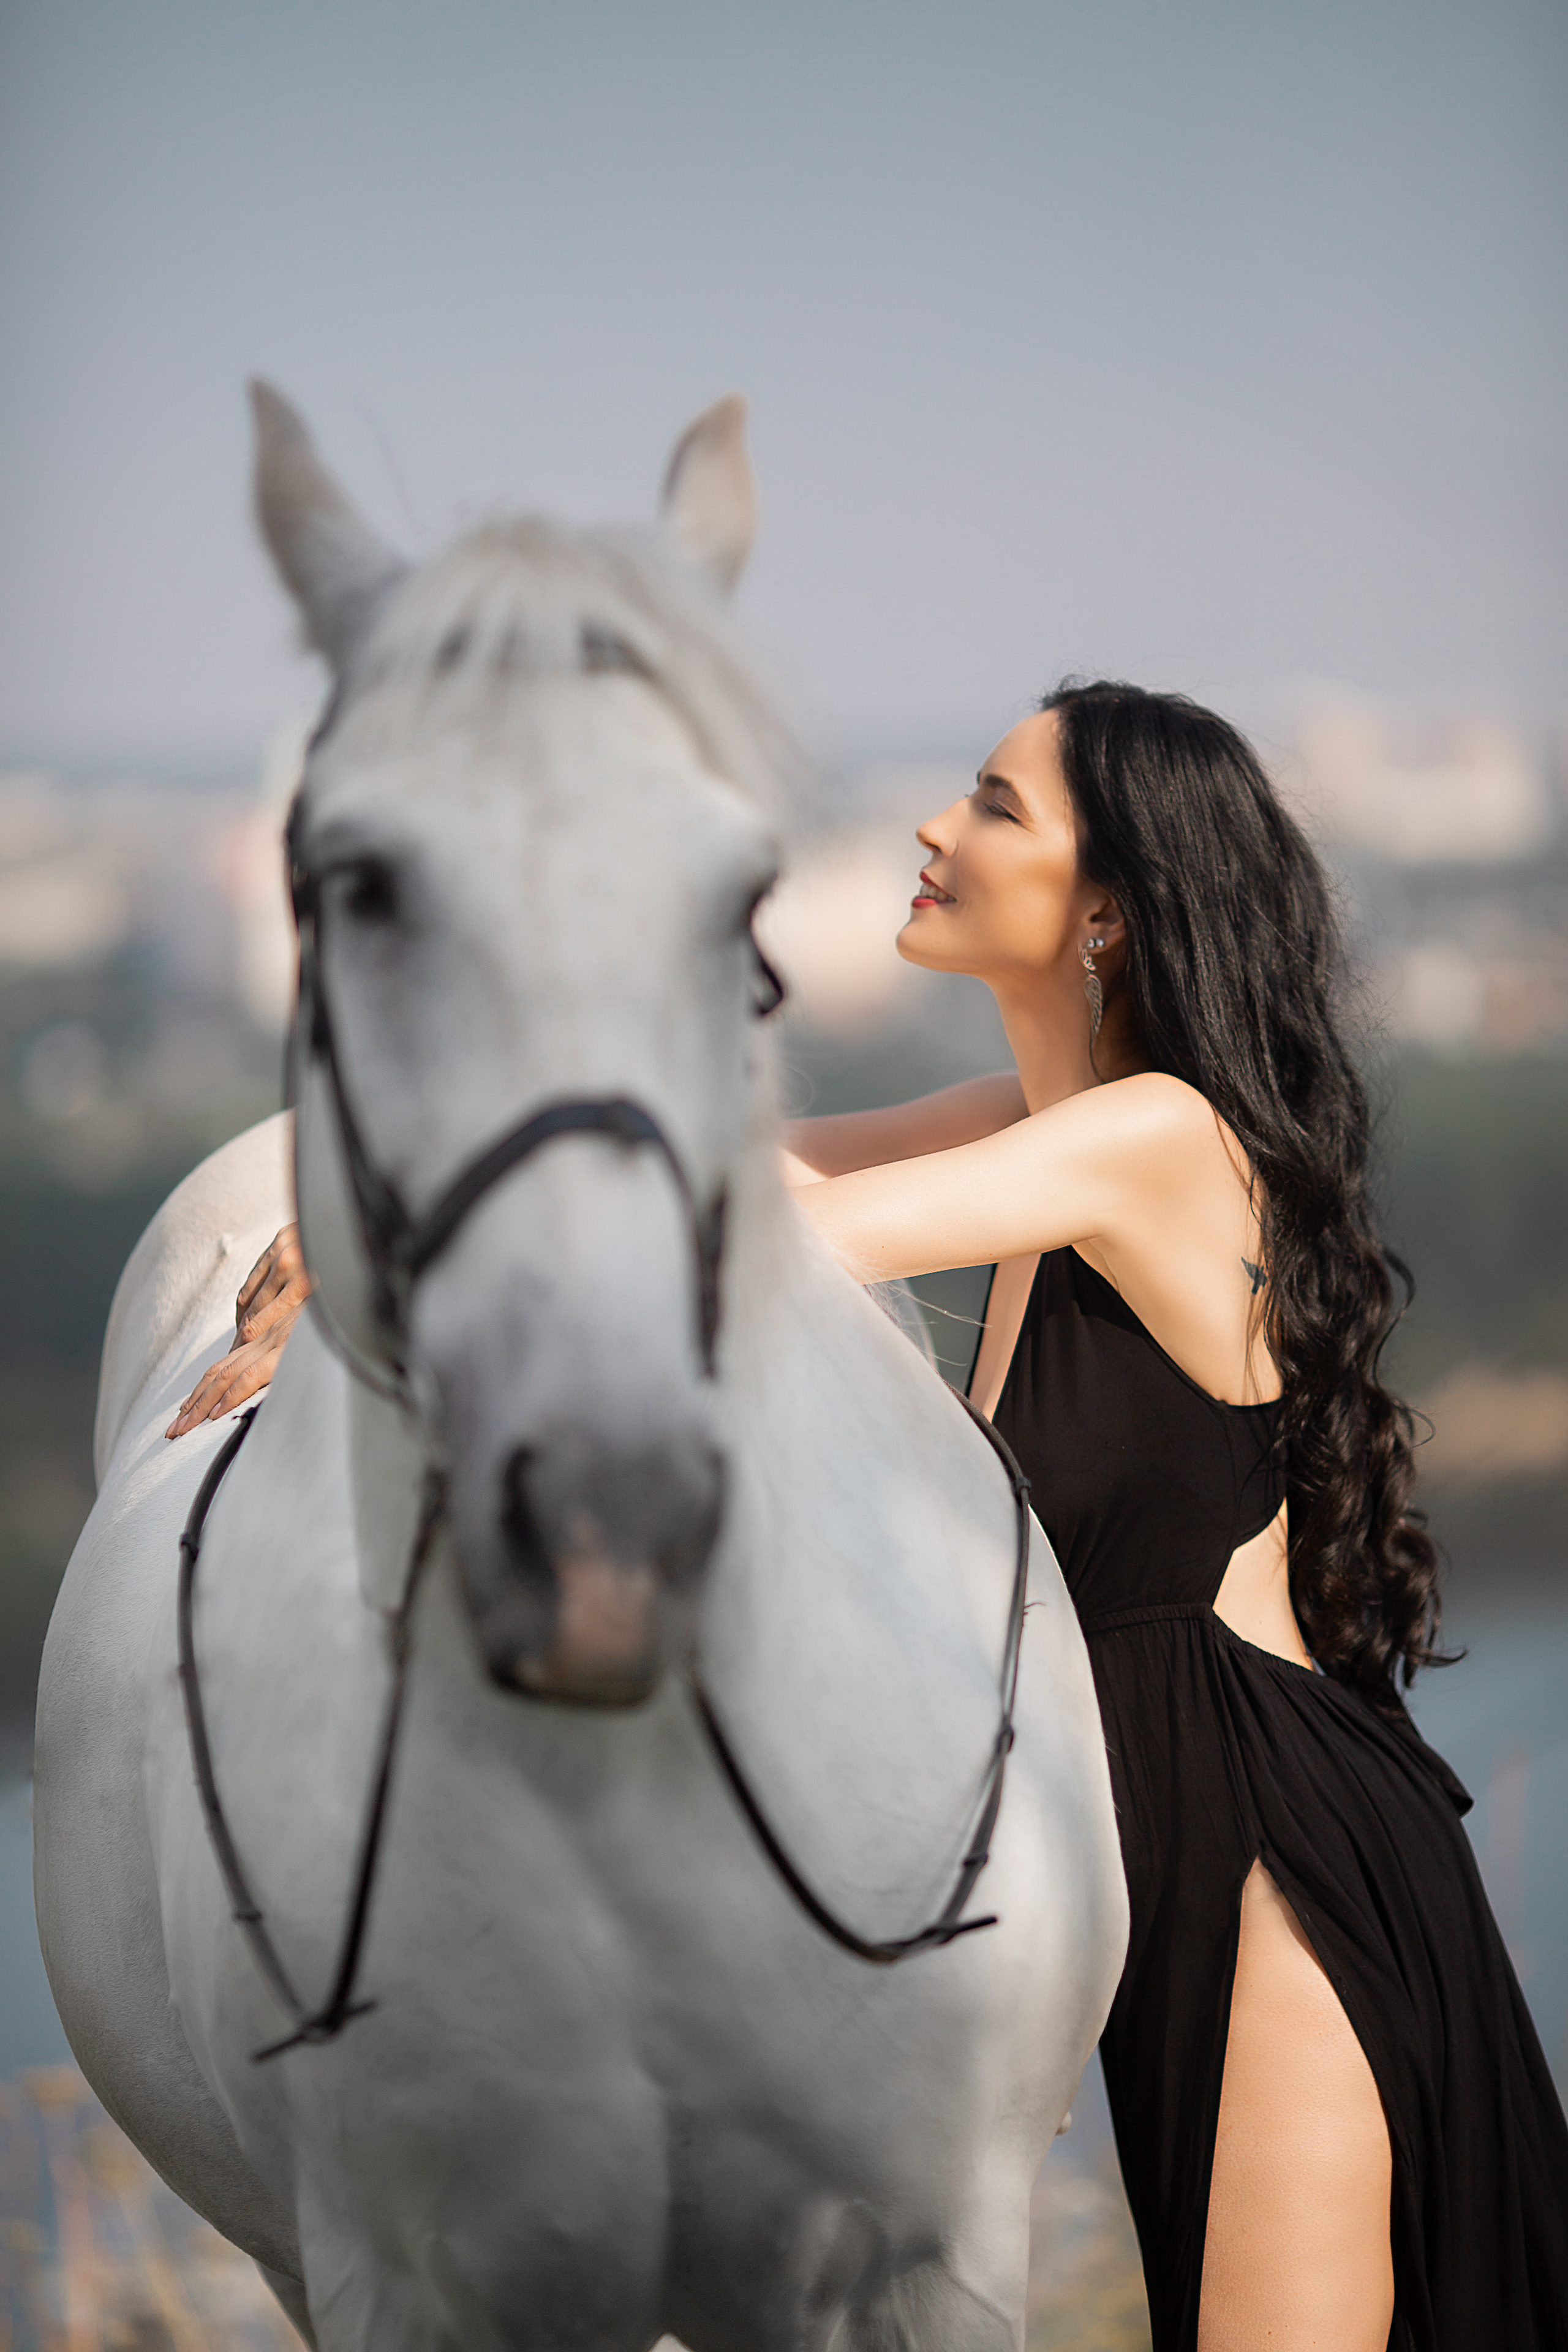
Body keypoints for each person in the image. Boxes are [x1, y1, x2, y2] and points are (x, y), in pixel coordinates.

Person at [172, 680, 1568, 2351]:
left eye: (993, 805)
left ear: (1107, 909)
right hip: (1161, 1861)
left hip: (1279, 1867)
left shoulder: (1156, 1141)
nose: (933, 827)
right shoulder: (1039, 1133)